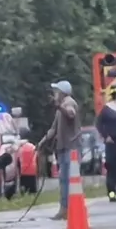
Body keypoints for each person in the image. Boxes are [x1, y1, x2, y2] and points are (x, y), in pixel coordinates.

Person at [37, 80, 81, 220]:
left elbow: (71, 114)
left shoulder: (69, 103)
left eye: (56, 91)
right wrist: (43, 141)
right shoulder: (60, 109)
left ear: (62, 93)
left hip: (71, 148)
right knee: (63, 180)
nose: (54, 94)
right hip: (63, 148)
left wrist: (59, 107)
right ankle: (65, 208)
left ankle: (69, 208)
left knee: (69, 180)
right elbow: (53, 129)